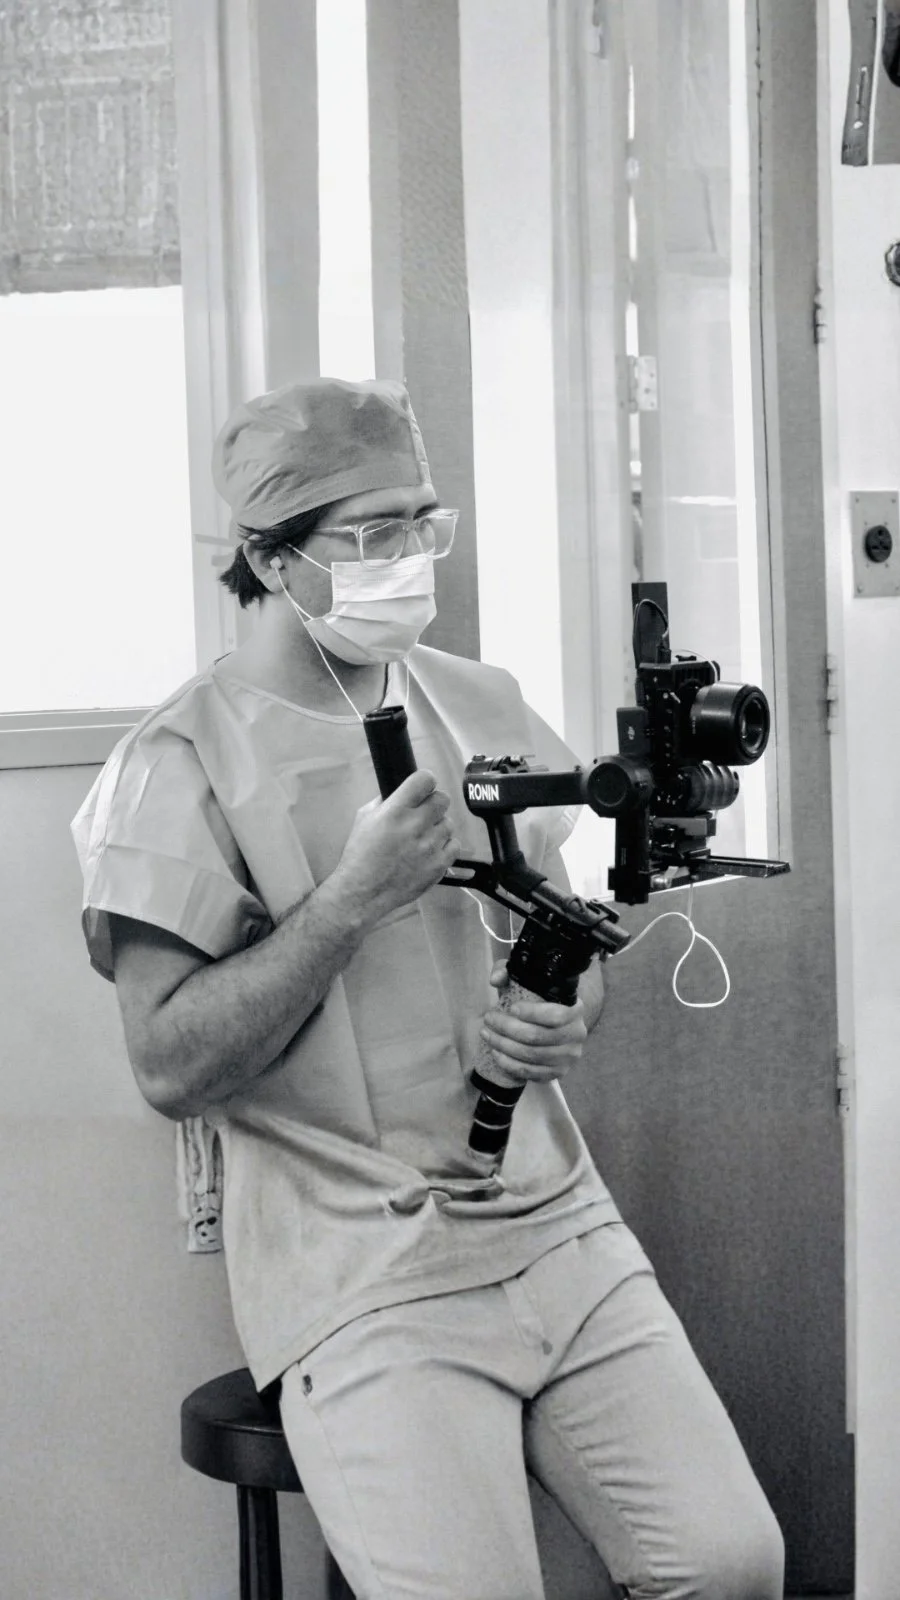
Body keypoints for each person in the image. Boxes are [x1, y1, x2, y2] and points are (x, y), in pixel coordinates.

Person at [72, 377, 784, 1600]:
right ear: (269, 556)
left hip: (554, 1220)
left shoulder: (478, 701)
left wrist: (562, 1013)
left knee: (732, 1565)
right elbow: (170, 1064)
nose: (409, 557)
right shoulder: (177, 766)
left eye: (422, 522)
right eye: (371, 534)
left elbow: (568, 951)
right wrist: (347, 902)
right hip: (364, 1264)